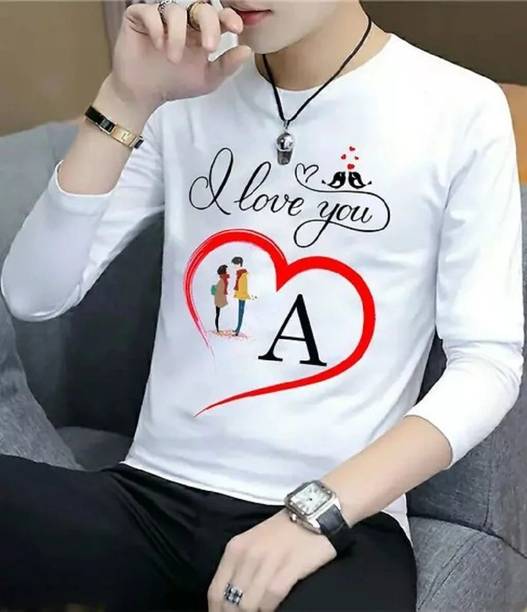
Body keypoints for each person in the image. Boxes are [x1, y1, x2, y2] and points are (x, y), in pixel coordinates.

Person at [0, 0, 523, 609]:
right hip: (148, 504)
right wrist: (125, 98)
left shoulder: (460, 108)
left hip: (341, 530)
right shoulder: (187, 94)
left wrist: (317, 514)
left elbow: (487, 364)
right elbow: (33, 295)